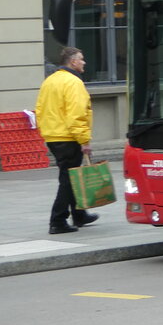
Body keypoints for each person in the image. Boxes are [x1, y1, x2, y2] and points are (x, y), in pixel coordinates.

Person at [35, 46, 98, 234]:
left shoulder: (50, 81)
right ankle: (58, 221)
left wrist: (47, 132)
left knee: (71, 176)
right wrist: (84, 141)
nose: (84, 62)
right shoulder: (73, 83)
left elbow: (40, 109)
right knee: (68, 180)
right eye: (81, 59)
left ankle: (79, 215)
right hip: (68, 137)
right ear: (73, 62)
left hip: (53, 136)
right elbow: (76, 115)